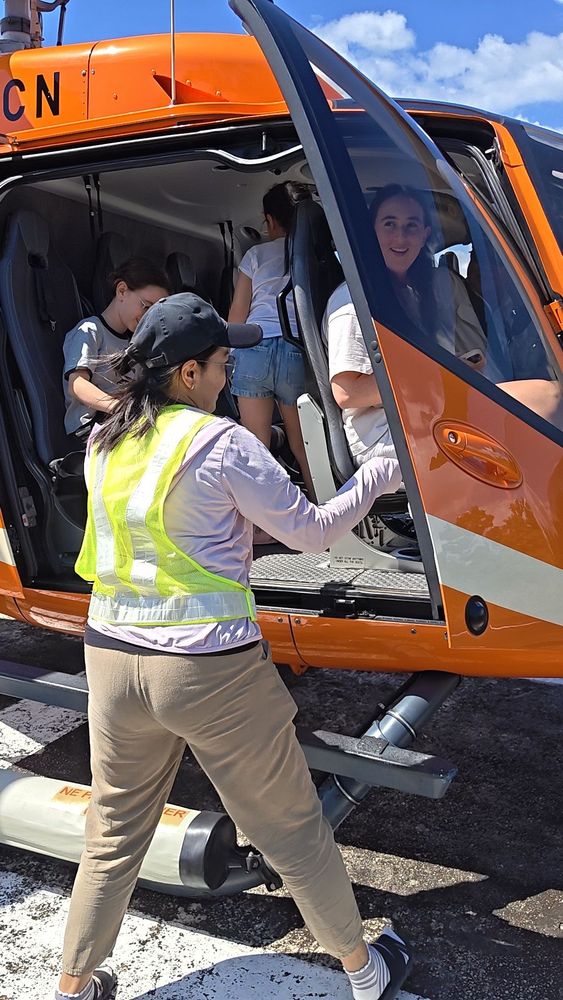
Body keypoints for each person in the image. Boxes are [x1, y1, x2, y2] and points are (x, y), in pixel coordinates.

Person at [54, 292, 413, 1000]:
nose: (229, 375)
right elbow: (310, 532)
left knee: (114, 833)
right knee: (291, 831)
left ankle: (72, 988)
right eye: (221, 363)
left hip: (112, 658)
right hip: (207, 671)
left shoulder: (104, 442)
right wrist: (376, 474)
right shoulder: (220, 443)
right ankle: (365, 975)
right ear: (188, 373)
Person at [323, 184, 490, 467]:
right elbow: (347, 392)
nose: (400, 236)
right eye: (390, 224)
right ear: (371, 231)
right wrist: (436, 376)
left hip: (428, 416)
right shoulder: (353, 301)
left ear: (425, 234)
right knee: (543, 402)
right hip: (384, 435)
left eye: (411, 226)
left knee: (536, 400)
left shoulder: (417, 292)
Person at [228, 182, 315, 534]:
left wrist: (230, 357)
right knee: (302, 439)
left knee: (256, 442)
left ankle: (258, 526)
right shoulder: (311, 254)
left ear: (269, 220)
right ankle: (323, 510)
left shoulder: (254, 256)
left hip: (255, 348)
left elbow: (237, 315)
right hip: (295, 348)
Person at [62, 257, 170, 435]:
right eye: (146, 307)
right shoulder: (90, 331)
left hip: (124, 424)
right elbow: (77, 384)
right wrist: (119, 408)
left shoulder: (137, 343)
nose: (148, 318)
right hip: (90, 429)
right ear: (122, 291)